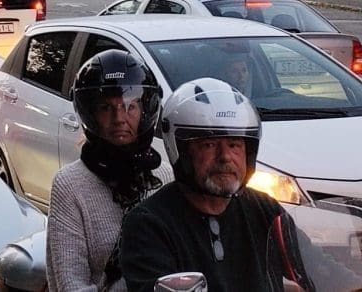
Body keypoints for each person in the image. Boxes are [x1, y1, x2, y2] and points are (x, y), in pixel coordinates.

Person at [120, 78, 283, 292]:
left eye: (234, 145)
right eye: (210, 144)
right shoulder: (148, 224)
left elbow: (314, 267)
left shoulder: (264, 210)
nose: (225, 157)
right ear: (183, 152)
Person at [46, 50, 171, 292]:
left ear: (145, 110)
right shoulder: (70, 184)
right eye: (106, 108)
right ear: (91, 114)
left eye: (130, 107)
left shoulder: (164, 176)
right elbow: (70, 284)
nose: (119, 118)